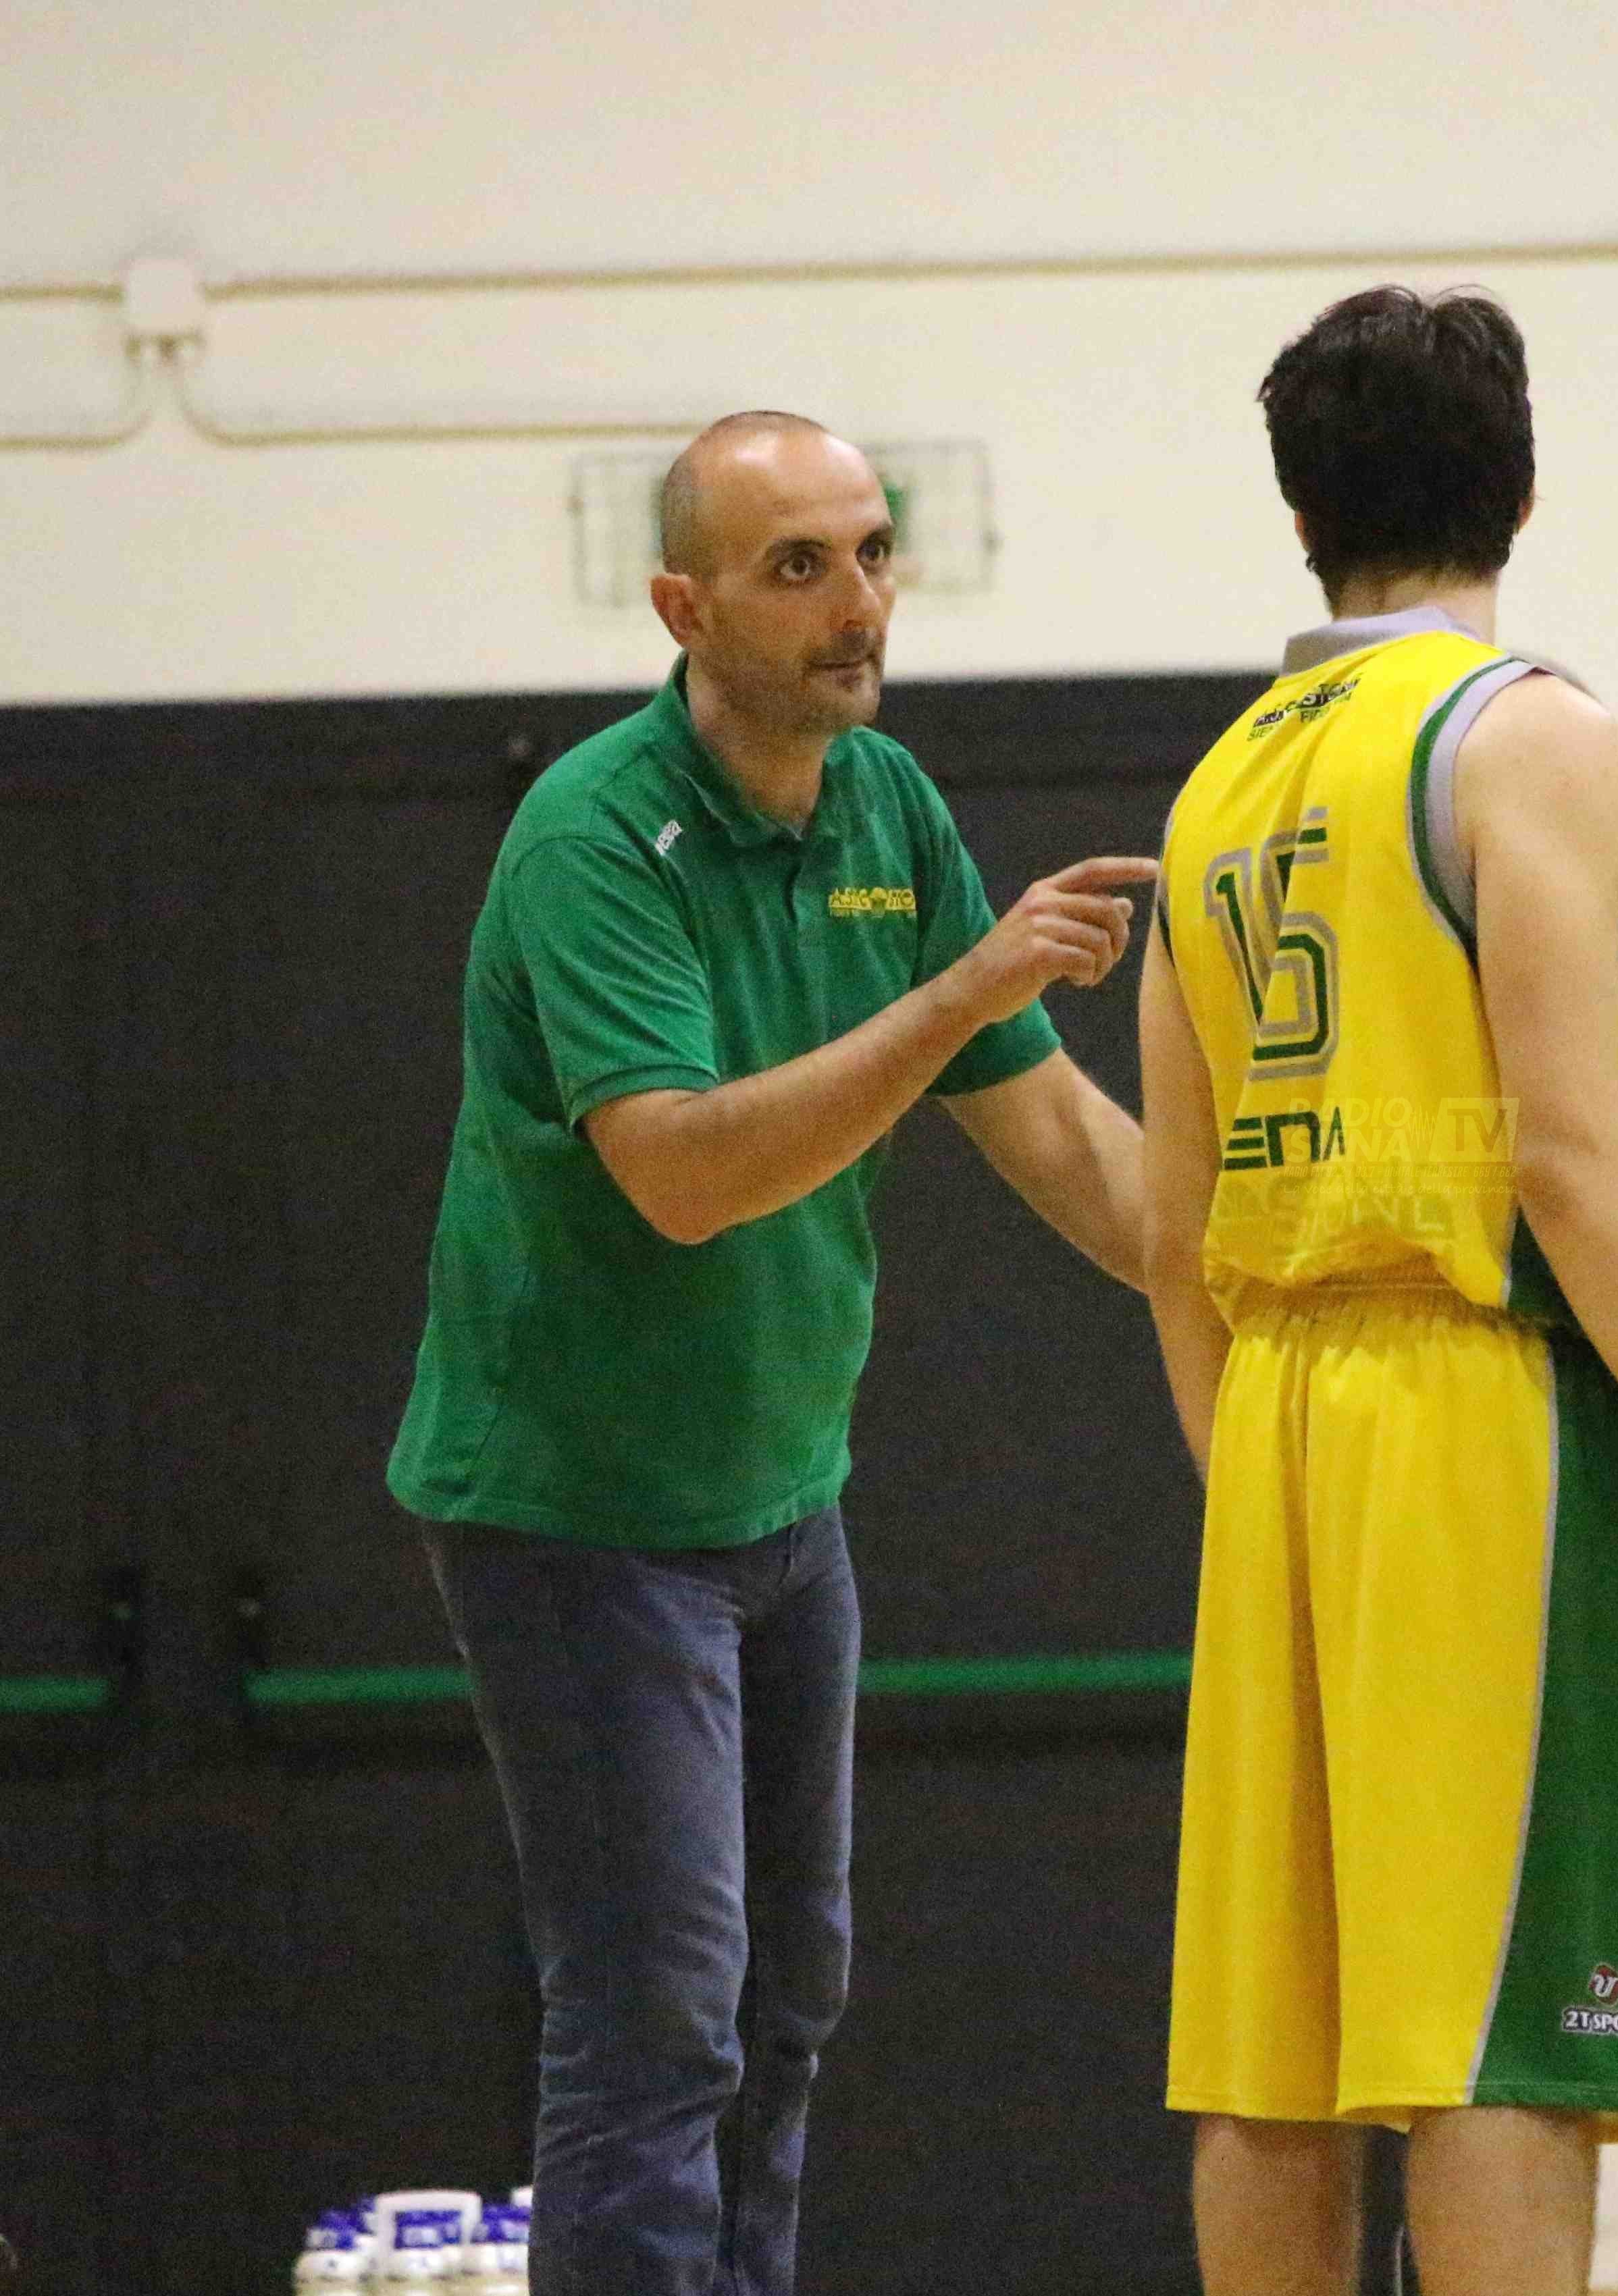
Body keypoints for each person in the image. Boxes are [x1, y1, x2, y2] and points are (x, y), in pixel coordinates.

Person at [386, 410, 1155, 2296]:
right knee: (657, 2016)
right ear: (684, 605)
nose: (857, 603)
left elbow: (1067, 1146)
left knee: (784, 1998)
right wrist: (960, 990)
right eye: (798, 567)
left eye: (873, 553)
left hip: (783, 1505)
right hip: (579, 1514)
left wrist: (1288, 1272)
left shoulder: (885, 804)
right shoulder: (596, 836)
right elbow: (684, 1174)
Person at [1139, 286, 1618, 2296]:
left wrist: (1261, 1477)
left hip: (1279, 1417)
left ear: (1299, 517)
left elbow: (1179, 1234)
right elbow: (1573, 1157)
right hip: (1480, 1418)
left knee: (1274, 2056)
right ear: (1520, 491)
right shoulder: (1527, 733)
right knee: (1508, 2030)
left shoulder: (1216, 786)